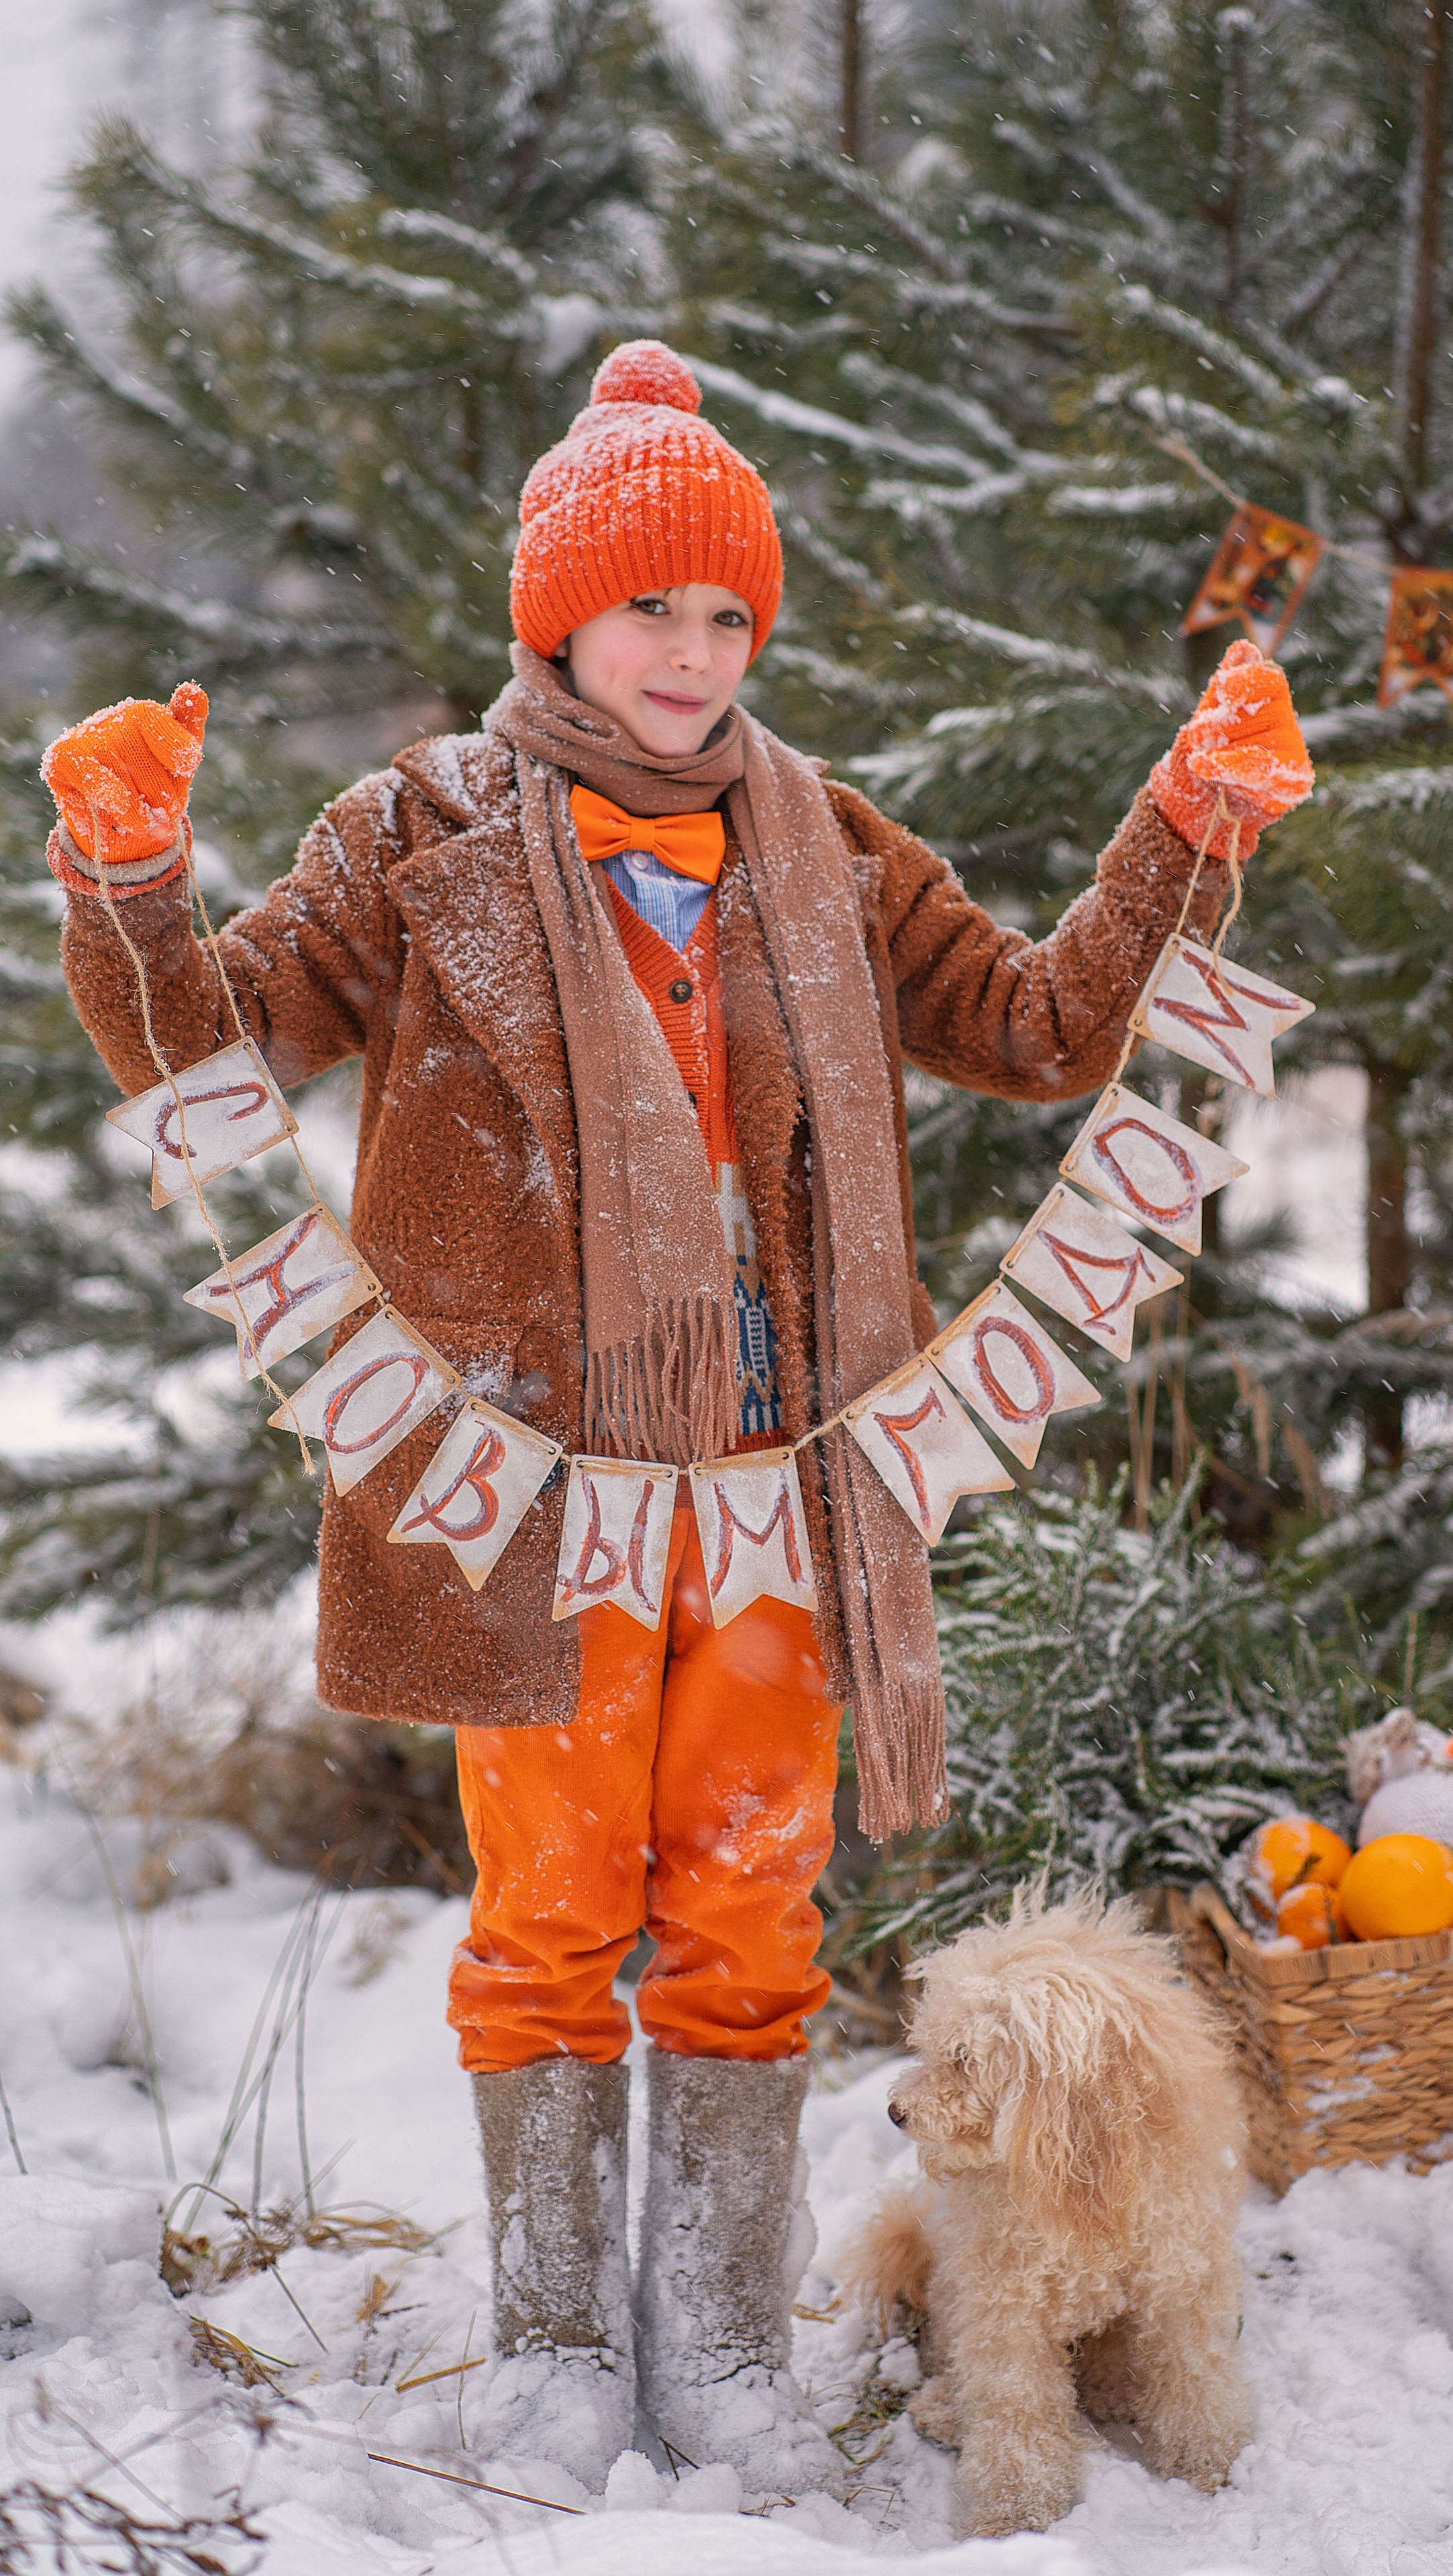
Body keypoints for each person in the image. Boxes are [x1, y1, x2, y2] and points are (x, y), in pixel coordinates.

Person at [39, 340, 1311, 2499]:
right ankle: (554, 2344)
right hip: (526, 1485)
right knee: (550, 1909)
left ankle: (720, 2338)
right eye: (652, 609)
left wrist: (1187, 829)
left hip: (790, 1483)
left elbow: (1032, 1024)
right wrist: (135, 876)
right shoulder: (416, 833)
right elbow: (212, 1043)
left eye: (729, 614)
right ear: (560, 617)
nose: (694, 652)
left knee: (749, 1905)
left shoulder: (827, 839)